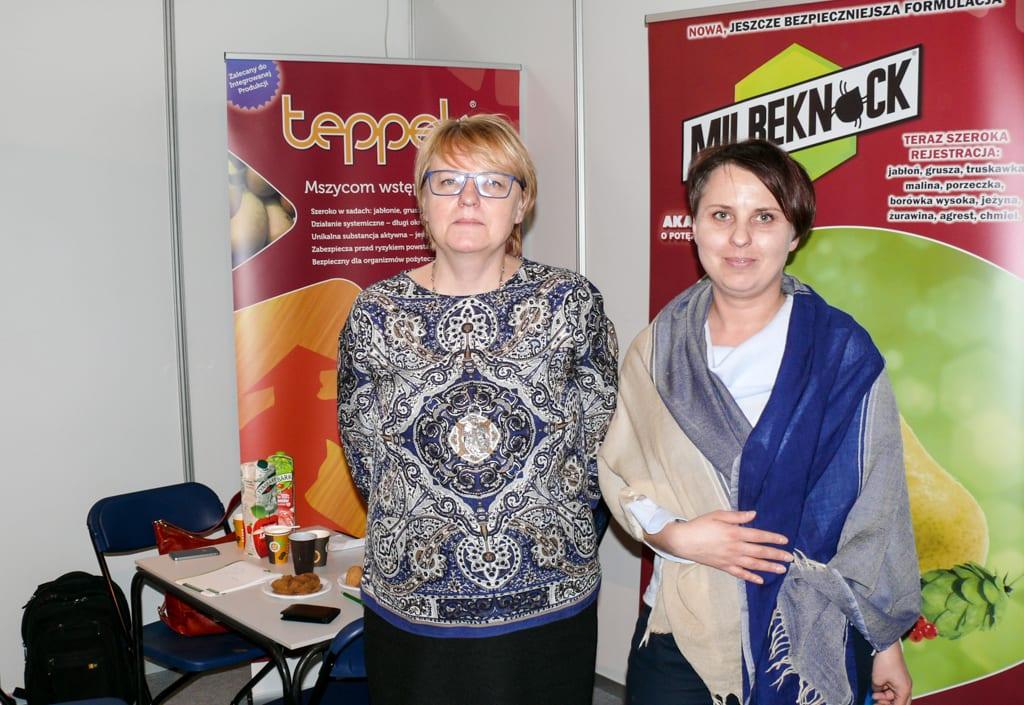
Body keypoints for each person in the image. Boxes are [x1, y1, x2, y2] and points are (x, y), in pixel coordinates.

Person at [598, 139, 920, 705]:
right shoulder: (656, 352)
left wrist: (885, 642)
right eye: (721, 215)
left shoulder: (840, 353)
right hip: (684, 629)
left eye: (764, 217)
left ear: (794, 234)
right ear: (694, 227)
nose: (740, 238)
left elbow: (877, 507)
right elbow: (620, 474)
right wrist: (678, 536)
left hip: (805, 639)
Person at [337, 114, 619, 705]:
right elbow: (365, 453)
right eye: (448, 182)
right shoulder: (377, 313)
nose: (468, 199)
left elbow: (603, 438)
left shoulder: (569, 303)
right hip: (412, 600)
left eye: (493, 183)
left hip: (547, 604)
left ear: (522, 204)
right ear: (422, 202)